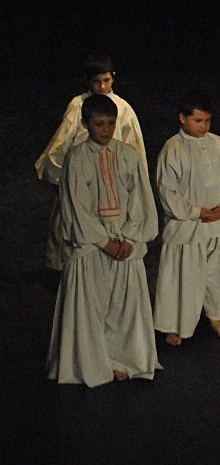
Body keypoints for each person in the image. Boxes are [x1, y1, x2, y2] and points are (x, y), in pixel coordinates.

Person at [46, 94, 160, 387]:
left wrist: (130, 237)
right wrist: (103, 241)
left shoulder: (127, 155)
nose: (106, 130)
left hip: (124, 240)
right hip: (92, 244)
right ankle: (92, 362)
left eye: (110, 123)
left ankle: (122, 358)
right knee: (91, 306)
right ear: (86, 124)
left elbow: (140, 198)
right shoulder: (78, 158)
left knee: (124, 306)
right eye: (99, 124)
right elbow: (77, 206)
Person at [34, 53, 147, 271]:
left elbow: (135, 149)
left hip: (113, 183)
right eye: (96, 81)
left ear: (113, 77)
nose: (102, 86)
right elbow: (61, 145)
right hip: (83, 181)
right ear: (88, 81)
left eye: (106, 80)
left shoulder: (123, 109)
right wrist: (61, 182)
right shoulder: (78, 106)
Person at [153, 92, 220, 346]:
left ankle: (215, 316)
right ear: (183, 118)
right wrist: (197, 212)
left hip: (218, 225)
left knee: (217, 274)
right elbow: (168, 190)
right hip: (189, 227)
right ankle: (177, 324)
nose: (204, 126)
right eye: (198, 121)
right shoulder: (173, 148)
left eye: (207, 121)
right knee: (185, 277)